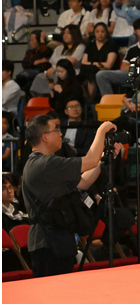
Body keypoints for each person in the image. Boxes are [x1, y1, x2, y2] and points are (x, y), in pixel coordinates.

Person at [22, 116, 123, 277]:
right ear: (45, 137)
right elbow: (89, 160)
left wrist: (104, 159)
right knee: (51, 289)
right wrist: (101, 130)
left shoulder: (46, 163)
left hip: (59, 238)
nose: (61, 133)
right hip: (47, 241)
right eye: (56, 129)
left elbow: (83, 183)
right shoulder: (44, 163)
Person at [95, 18, 140, 97]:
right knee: (101, 75)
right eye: (139, 29)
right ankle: (109, 101)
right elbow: (123, 67)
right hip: (129, 74)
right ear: (135, 31)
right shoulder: (131, 49)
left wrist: (133, 64)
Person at [79, 22, 118, 99]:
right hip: (90, 68)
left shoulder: (111, 45)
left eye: (103, 31)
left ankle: (90, 99)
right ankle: (86, 99)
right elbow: (83, 62)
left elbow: (108, 65)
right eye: (97, 32)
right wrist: (96, 64)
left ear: (106, 33)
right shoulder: (90, 45)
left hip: (104, 70)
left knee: (90, 72)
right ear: (94, 33)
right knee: (85, 72)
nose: (100, 34)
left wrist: (93, 64)